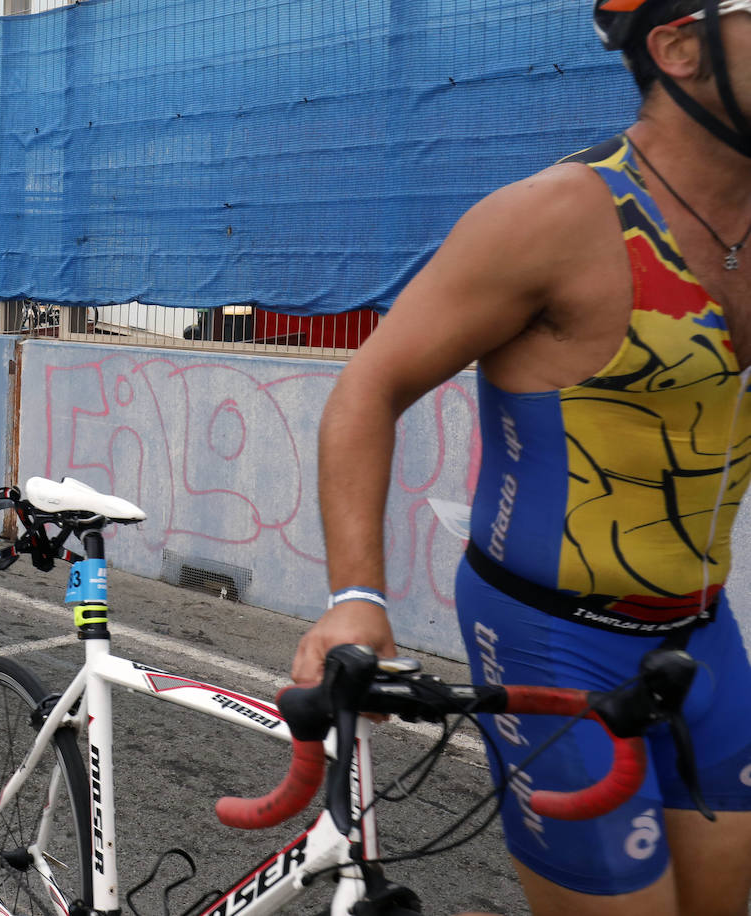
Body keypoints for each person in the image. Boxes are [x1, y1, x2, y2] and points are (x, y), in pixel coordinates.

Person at [291, 2, 751, 914]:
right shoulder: (554, 220)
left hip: (703, 637)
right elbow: (366, 390)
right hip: (552, 639)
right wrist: (357, 599)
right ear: (681, 46)